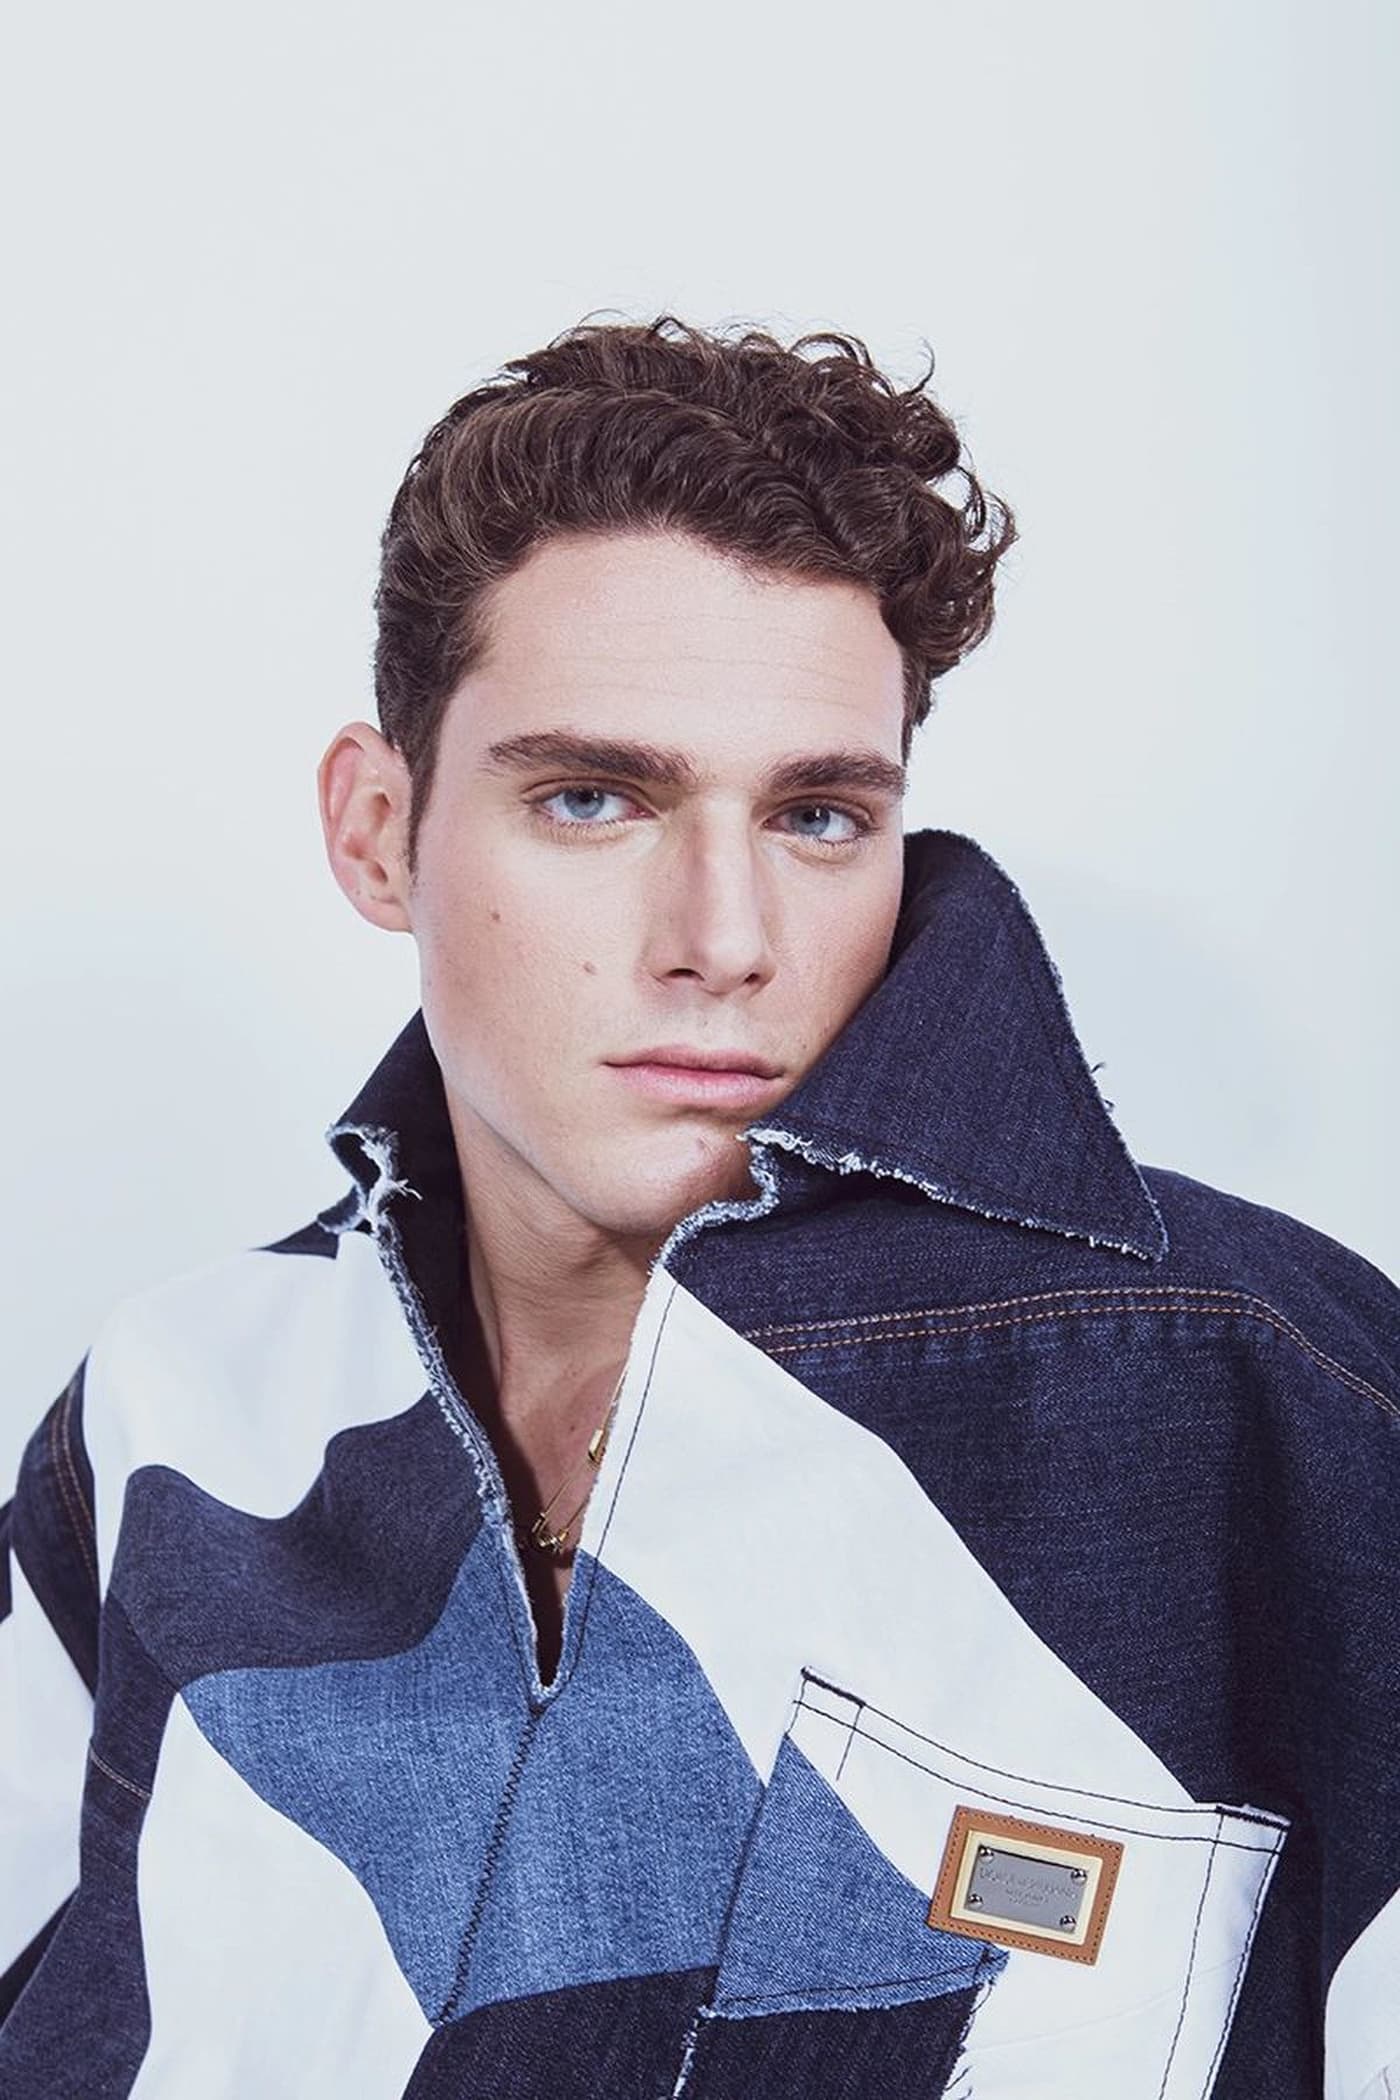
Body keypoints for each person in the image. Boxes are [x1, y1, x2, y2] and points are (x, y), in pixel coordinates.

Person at [1, 316, 1395, 2100]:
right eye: (591, 798)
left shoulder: (1271, 1403)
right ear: (377, 829)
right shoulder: (177, 1412)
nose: (725, 942)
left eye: (817, 817)